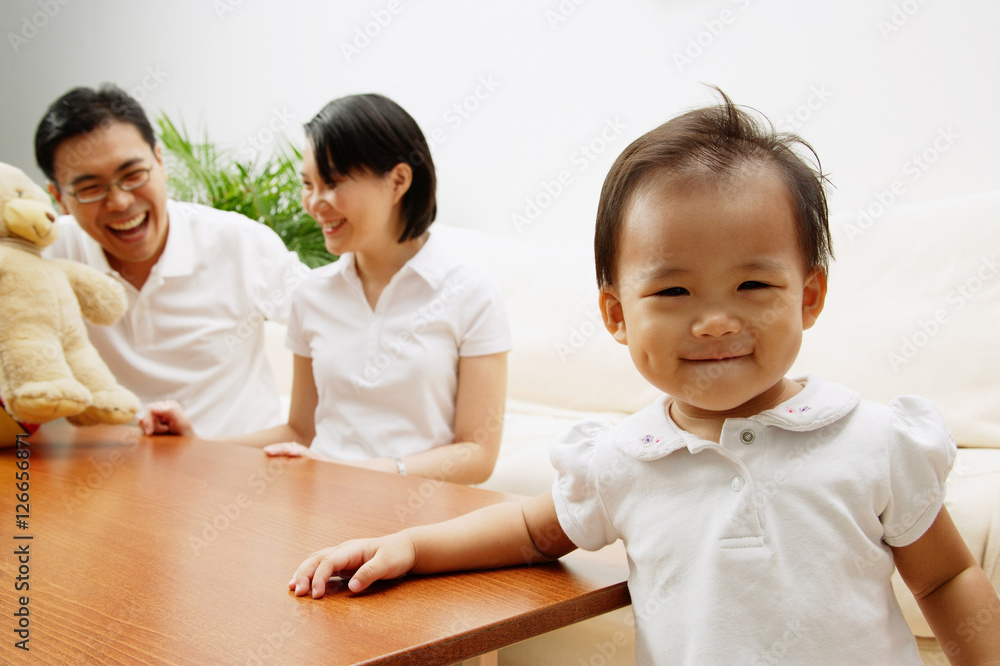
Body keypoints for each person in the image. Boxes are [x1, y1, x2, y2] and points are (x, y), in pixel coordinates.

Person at [286, 92, 1000, 664]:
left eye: (754, 283)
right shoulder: (625, 459)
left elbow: (946, 576)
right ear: (616, 312)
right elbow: (533, 532)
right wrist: (410, 548)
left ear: (808, 296)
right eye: (673, 292)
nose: (715, 321)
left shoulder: (872, 441)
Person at [142, 94, 510, 485]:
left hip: (422, 517)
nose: (315, 203)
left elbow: (476, 453)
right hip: (323, 501)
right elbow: (300, 432)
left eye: (332, 183)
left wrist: (365, 471)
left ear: (399, 180)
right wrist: (199, 444)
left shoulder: (471, 293)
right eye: (307, 184)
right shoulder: (312, 295)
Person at [36, 84, 309, 437]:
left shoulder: (238, 242)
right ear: (59, 198)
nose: (119, 202)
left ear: (160, 162)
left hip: (237, 468)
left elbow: (333, 322)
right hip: (106, 474)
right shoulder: (45, 255)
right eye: (90, 188)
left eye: (133, 175)